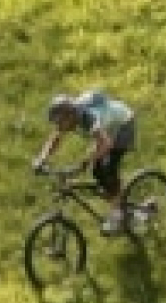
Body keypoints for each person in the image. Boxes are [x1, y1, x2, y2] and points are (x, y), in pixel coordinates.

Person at [34, 90, 138, 233]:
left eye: (60, 122)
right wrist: (41, 159)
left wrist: (85, 162)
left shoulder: (88, 119)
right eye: (56, 122)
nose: (59, 126)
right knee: (98, 172)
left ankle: (117, 215)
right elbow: (55, 139)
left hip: (123, 125)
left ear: (70, 116)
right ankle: (117, 198)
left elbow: (106, 144)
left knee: (108, 168)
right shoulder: (71, 117)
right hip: (106, 129)